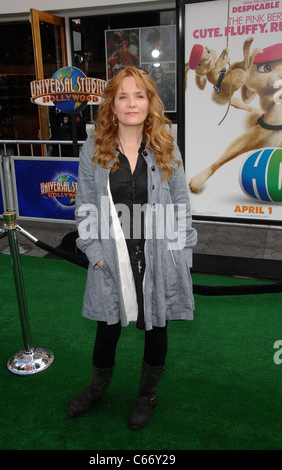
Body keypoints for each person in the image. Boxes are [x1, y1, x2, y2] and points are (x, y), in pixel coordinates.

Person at [68, 66, 197, 430]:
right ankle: (96, 388)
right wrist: (96, 253)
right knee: (106, 329)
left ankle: (146, 396)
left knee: (157, 326)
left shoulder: (165, 145)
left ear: (149, 101)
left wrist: (183, 255)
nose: (131, 103)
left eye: (139, 95)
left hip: (159, 254)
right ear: (112, 102)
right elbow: (86, 206)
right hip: (113, 256)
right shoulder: (93, 148)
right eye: (122, 96)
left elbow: (181, 204)